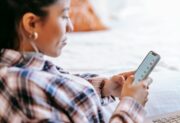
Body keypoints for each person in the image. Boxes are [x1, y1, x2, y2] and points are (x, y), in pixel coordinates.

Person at [0, 0, 150, 122]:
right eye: (64, 16)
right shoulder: (22, 85)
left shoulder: (25, 68)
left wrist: (106, 88)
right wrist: (132, 105)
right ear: (32, 24)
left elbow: (56, 92)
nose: (70, 27)